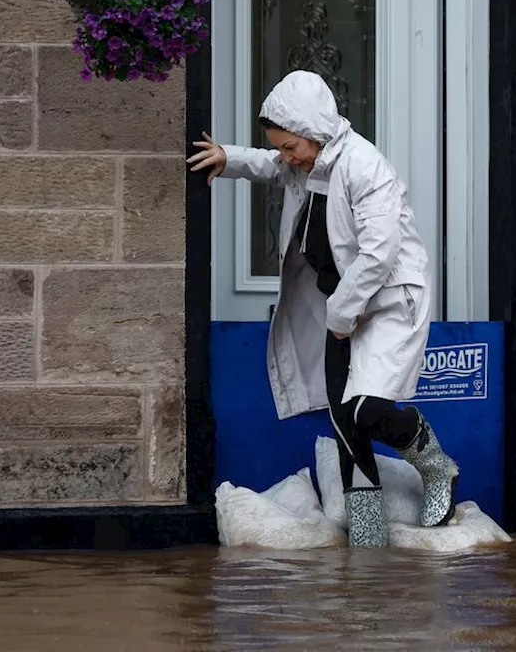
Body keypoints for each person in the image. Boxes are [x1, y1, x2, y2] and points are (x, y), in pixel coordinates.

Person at [187, 70, 459, 548]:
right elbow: (270, 165)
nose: (286, 156)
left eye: (291, 146)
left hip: (388, 300)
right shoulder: (304, 163)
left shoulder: (364, 167)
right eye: (283, 147)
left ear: (316, 131)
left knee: (366, 410)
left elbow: (379, 255)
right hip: (340, 305)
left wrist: (340, 317)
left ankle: (437, 466)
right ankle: (368, 539)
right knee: (342, 419)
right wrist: (229, 158)